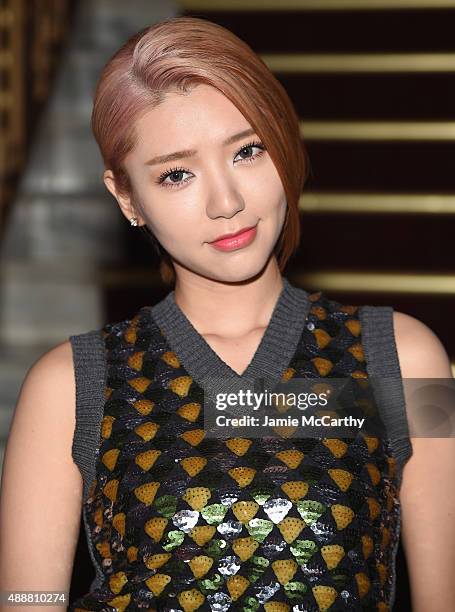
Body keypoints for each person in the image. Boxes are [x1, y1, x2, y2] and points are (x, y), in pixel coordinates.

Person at [0, 15, 454, 612]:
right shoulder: (69, 387)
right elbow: (28, 601)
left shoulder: (404, 359)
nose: (227, 201)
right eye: (177, 174)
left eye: (247, 151)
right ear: (127, 197)